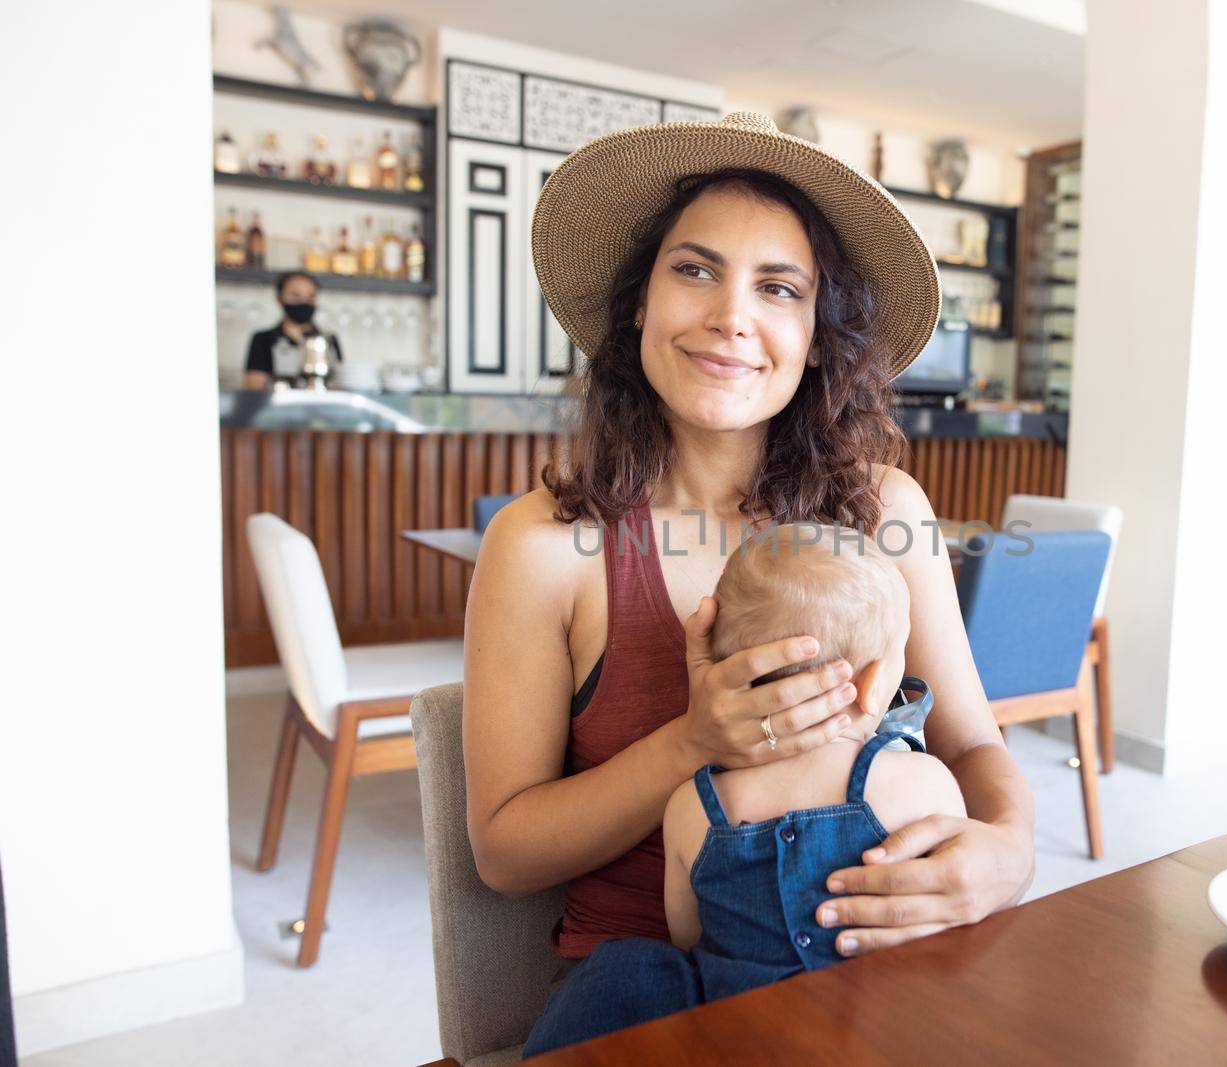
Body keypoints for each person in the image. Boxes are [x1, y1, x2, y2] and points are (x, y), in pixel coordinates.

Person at [462, 111, 1035, 1046]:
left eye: (778, 287)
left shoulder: (886, 510)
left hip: (873, 980)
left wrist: (1008, 849)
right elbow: (504, 851)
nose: (731, 314)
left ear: (816, 337)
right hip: (644, 997)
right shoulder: (545, 543)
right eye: (694, 269)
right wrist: (692, 738)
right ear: (638, 304)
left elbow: (974, 745)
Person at [521, 525, 964, 1055]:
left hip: (733, 1036)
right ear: (873, 686)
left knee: (624, 968)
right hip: (881, 1031)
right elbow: (952, 914)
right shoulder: (924, 784)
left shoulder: (692, 806)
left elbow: (688, 937)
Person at [243, 271, 343, 389]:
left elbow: (340, 383)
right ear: (279, 298)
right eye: (295, 296)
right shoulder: (263, 339)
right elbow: (254, 387)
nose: (304, 302)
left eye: (311, 296)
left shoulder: (329, 339)